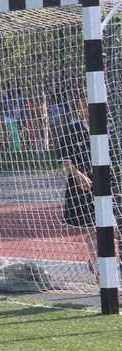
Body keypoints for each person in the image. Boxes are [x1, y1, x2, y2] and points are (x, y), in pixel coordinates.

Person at [56, 108, 115, 285]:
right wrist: (77, 175)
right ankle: (98, 266)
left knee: (110, 228)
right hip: (82, 184)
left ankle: (107, 263)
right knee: (90, 227)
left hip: (108, 182)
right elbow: (65, 161)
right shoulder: (72, 129)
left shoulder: (108, 126)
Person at [0, 82, 26, 152]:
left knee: (16, 134)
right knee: (14, 134)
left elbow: (23, 108)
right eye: (12, 85)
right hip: (9, 118)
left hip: (18, 118)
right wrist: (0, 118)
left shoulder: (21, 96)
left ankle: (15, 148)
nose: (13, 87)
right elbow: (1, 107)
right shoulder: (5, 95)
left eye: (15, 85)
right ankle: (16, 149)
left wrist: (23, 119)